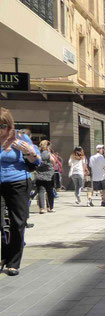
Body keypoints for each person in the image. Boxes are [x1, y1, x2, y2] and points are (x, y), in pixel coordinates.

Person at [0, 108, 40, 276]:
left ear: (9, 124)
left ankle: (13, 262)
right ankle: (5, 254)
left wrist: (28, 152)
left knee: (18, 223)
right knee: (2, 223)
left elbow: (36, 160)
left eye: (2, 125)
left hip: (18, 183)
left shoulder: (20, 138)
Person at [35, 140, 56, 214]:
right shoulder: (47, 153)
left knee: (41, 191)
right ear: (47, 146)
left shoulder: (37, 153)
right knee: (50, 191)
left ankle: (41, 208)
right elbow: (53, 161)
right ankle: (50, 207)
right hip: (48, 175)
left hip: (39, 174)